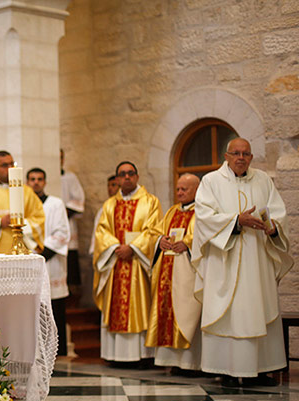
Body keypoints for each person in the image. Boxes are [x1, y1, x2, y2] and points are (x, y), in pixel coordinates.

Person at [192, 138, 293, 387]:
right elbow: (204, 217)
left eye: (246, 153)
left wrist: (273, 229)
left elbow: (278, 213)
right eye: (235, 153)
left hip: (257, 259)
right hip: (224, 259)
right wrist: (236, 221)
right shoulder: (211, 182)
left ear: (251, 157)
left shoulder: (263, 180)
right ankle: (226, 370)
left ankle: (260, 370)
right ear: (226, 156)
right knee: (228, 312)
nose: (241, 157)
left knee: (259, 308)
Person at [93, 161, 161, 364]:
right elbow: (101, 232)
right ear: (117, 179)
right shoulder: (109, 205)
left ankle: (141, 356)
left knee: (139, 306)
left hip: (138, 265)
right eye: (122, 174)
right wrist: (115, 247)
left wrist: (133, 248)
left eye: (131, 173)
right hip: (116, 263)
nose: (127, 177)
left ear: (137, 176)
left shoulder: (150, 202)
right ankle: (115, 355)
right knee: (116, 306)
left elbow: (154, 230)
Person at [145, 174, 202, 373]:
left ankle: (190, 363)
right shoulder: (171, 212)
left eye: (184, 189)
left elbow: (205, 237)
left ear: (196, 189)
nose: (179, 192)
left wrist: (187, 243)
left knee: (187, 314)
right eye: (178, 188)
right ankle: (172, 362)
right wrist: (160, 240)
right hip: (166, 273)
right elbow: (154, 233)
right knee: (166, 314)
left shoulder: (202, 212)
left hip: (187, 273)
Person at [27, 167, 71, 356]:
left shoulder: (56, 203)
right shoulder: (23, 204)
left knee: (55, 307)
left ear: (44, 182)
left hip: (51, 261)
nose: (36, 182)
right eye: (32, 179)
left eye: (39, 179)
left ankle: (58, 352)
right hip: (30, 262)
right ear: (27, 182)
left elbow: (62, 231)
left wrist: (43, 252)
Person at [60, 149, 86, 302]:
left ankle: (73, 296)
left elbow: (78, 199)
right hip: (50, 229)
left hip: (67, 224)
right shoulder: (46, 177)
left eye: (60, 157)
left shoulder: (70, 178)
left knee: (71, 262)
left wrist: (61, 213)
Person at [88, 175, 120, 256]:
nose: (110, 188)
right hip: (107, 250)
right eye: (108, 185)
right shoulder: (103, 209)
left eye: (113, 185)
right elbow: (97, 230)